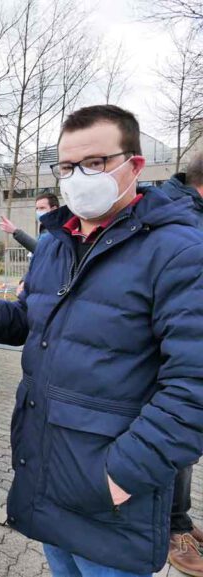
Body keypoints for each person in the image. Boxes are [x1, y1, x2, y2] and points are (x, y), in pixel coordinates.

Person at [0, 105, 203, 576]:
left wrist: (122, 475)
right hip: (49, 478)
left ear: (134, 166)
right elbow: (31, 322)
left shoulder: (180, 251)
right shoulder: (59, 240)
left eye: (95, 163)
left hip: (113, 504)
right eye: (67, 166)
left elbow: (194, 388)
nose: (79, 176)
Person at [161, 152, 203, 577]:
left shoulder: (190, 213)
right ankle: (172, 528)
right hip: (173, 358)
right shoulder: (178, 219)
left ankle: (181, 518)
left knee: (188, 451)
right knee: (177, 444)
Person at [0, 193, 60, 295]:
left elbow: (42, 251)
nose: (38, 212)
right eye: (36, 208)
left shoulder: (60, 231)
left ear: (54, 209)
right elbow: (36, 261)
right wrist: (24, 281)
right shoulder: (44, 230)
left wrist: (16, 231)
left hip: (52, 287)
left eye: (42, 208)